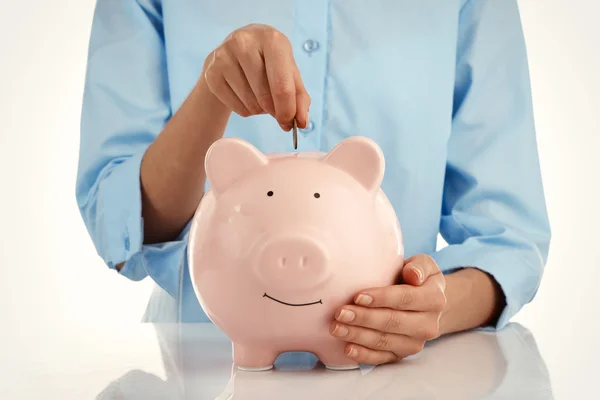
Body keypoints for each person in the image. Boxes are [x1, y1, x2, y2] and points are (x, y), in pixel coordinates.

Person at [76, 0, 551, 367]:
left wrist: (431, 309)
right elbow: (121, 218)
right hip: (202, 364)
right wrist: (211, 96)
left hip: (398, 371)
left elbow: (506, 239)